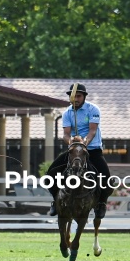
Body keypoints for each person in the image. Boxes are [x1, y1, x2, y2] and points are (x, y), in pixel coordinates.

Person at [46, 83, 112, 219]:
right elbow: (65, 134)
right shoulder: (67, 113)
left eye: (78, 96)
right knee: (50, 175)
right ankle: (55, 201)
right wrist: (72, 142)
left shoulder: (93, 109)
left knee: (106, 178)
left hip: (92, 150)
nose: (75, 99)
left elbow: (92, 131)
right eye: (73, 96)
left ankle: (101, 203)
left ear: (84, 97)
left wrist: (84, 143)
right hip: (74, 151)